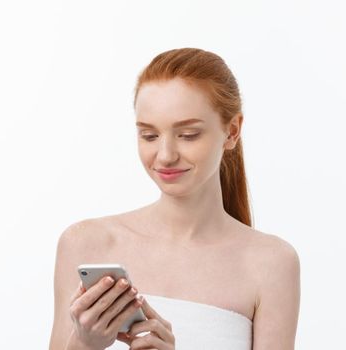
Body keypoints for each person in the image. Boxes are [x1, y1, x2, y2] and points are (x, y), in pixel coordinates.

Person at [49, 47, 301, 350]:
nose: (165, 156)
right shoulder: (86, 244)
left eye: (188, 134)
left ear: (232, 131)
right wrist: (84, 344)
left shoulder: (270, 263)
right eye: (149, 135)